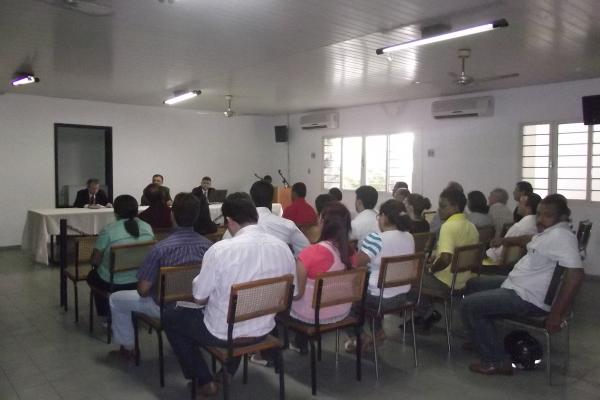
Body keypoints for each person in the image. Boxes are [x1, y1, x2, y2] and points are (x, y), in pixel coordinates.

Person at [163, 194, 295, 396]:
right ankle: (227, 372)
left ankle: (204, 380)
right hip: (263, 328)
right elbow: (292, 291)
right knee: (238, 313)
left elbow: (199, 297)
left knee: (171, 315)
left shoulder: (220, 250)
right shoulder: (283, 248)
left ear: (229, 221)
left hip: (223, 333)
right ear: (255, 216)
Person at [462, 194, 584, 375]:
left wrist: (556, 315)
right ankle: (480, 338)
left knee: (469, 305)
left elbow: (576, 275)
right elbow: (529, 239)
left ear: (561, 217)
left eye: (547, 215)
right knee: (473, 284)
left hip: (527, 297)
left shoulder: (562, 237)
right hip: (516, 285)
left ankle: (496, 361)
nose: (540, 220)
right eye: (539, 214)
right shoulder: (551, 232)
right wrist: (506, 240)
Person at [108, 193, 212, 359]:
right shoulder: (209, 246)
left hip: (165, 307)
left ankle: (128, 348)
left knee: (115, 299)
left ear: (172, 215)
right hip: (199, 307)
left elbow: (142, 290)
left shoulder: (161, 248)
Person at [345, 200, 415, 351]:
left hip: (380, 299)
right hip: (402, 296)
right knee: (370, 292)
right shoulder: (409, 237)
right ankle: (378, 332)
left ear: (385, 217)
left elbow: (357, 263)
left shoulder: (376, 239)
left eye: (379, 216)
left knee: (346, 304)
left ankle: (359, 337)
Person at [289, 202, 354, 352]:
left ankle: (278, 351)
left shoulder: (310, 253)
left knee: (280, 302)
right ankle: (300, 343)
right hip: (342, 309)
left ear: (323, 222)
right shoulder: (349, 251)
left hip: (314, 315)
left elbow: (297, 294)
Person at [416, 188, 479, 330]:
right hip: (463, 279)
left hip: (445, 281)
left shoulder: (448, 226)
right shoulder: (471, 226)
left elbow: (445, 259)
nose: (439, 210)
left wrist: (431, 269)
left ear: (456, 207)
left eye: (443, 206)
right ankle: (425, 314)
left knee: (409, 280)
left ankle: (426, 313)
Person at [87, 195, 154, 317]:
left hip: (114, 282)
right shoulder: (147, 227)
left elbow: (95, 260)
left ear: (115, 212)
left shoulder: (109, 230)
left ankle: (105, 314)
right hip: (140, 280)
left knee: (92, 276)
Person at [221, 181, 310, 256]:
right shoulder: (287, 225)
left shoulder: (237, 226)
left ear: (251, 199)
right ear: (272, 199)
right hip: (282, 273)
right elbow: (306, 251)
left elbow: (224, 251)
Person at [485, 193, 541, 264]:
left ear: (528, 207)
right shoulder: (538, 224)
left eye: (520, 203)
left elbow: (500, 252)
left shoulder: (520, 227)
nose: (517, 205)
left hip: (497, 263)